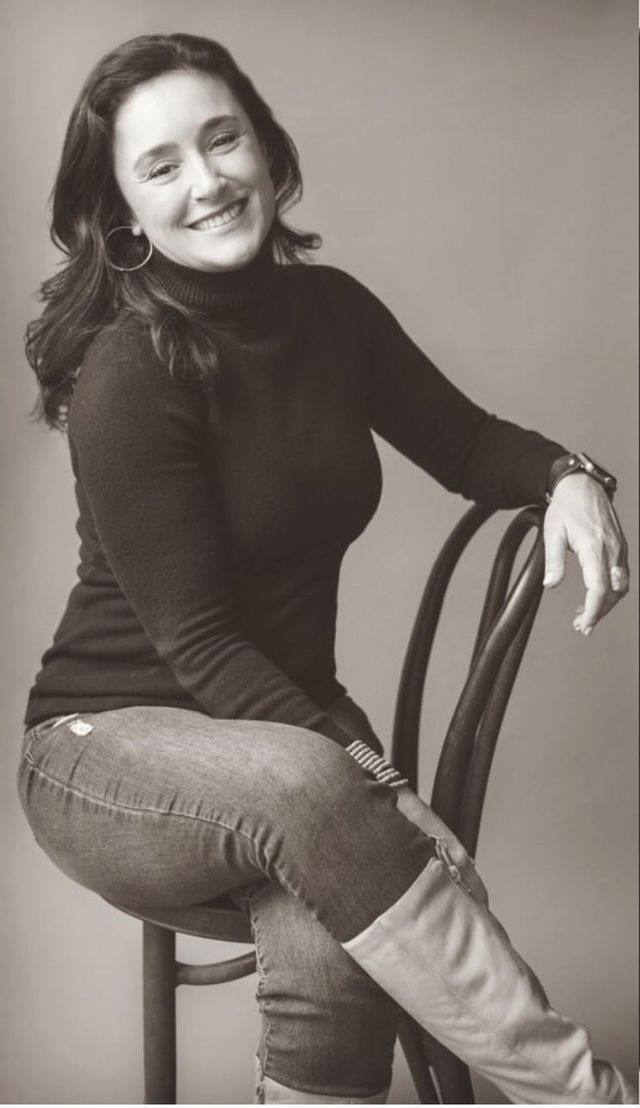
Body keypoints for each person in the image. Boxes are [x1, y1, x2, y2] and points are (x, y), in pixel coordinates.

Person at [18, 32, 634, 1106]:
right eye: (162, 165)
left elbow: (469, 444)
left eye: (224, 139)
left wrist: (574, 474)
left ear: (265, 146)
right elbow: (201, 644)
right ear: (121, 212)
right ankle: (584, 1095)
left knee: (328, 923)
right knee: (326, 798)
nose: (207, 180)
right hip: (104, 753)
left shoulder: (333, 314)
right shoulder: (130, 368)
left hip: (282, 746)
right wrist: (382, 792)